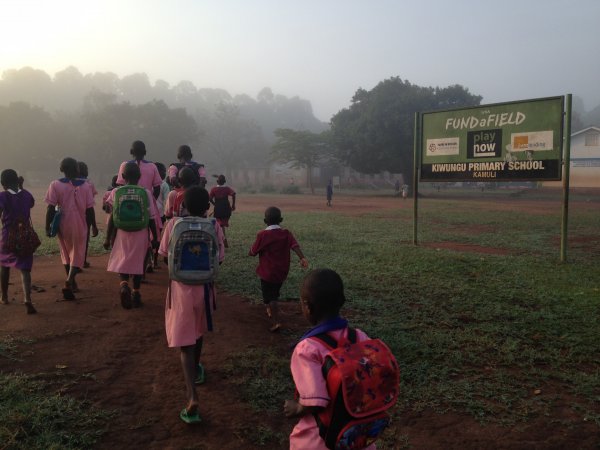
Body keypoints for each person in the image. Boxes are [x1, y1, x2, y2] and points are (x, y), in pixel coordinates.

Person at [284, 269, 375, 450]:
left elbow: (316, 402)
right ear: (341, 301)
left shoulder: (307, 349)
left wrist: (297, 408)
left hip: (323, 440)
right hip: (358, 436)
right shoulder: (360, 337)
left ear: (307, 307)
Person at [158, 185, 225, 424]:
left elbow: (164, 255)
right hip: (205, 290)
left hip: (180, 290)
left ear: (182, 205)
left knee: (184, 343)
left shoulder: (173, 225)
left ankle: (191, 395)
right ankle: (197, 370)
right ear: (208, 207)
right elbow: (220, 258)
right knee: (197, 333)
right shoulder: (214, 226)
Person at [103, 162, 159, 309]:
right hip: (141, 233)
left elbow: (111, 218)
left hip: (122, 232)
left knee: (123, 260)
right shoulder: (145, 192)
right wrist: (156, 238)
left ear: (123, 176)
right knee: (139, 263)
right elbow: (152, 218)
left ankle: (123, 285)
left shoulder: (116, 192)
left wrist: (108, 238)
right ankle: (136, 292)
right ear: (139, 176)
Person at [45, 157, 98, 300]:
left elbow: (50, 208)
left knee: (66, 252)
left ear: (62, 169)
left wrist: (47, 225)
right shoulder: (86, 186)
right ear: (77, 169)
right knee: (78, 252)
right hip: (80, 222)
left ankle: (72, 283)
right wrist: (94, 225)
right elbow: (90, 210)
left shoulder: (55, 184)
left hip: (62, 222)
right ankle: (69, 281)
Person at [249, 206, 308, 332]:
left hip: (266, 272)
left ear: (265, 221)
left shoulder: (263, 235)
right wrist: (302, 258)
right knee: (274, 292)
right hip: (282, 271)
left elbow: (253, 252)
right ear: (281, 219)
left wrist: (252, 250)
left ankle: (276, 322)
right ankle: (270, 307)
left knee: (270, 297)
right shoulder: (286, 233)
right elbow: (295, 246)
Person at [0, 169, 37, 314]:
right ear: (17, 181)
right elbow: (31, 204)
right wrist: (22, 188)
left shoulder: (3, 196)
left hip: (8, 236)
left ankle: (4, 296)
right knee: (25, 268)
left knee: (4, 265)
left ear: (3, 184)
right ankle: (27, 299)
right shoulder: (27, 195)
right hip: (25, 236)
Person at [78, 161, 98, 269]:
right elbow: (90, 205)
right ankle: (83, 261)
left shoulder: (69, 182)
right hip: (86, 215)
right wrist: (94, 225)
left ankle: (73, 262)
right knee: (84, 239)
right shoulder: (89, 184)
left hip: (73, 215)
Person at [209, 174, 236, 248]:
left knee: (219, 225)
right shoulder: (227, 189)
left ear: (217, 181)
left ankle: (223, 240)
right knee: (221, 225)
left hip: (218, 210)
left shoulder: (214, 189)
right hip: (226, 209)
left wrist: (215, 204)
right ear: (225, 181)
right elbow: (233, 194)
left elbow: (210, 198)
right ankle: (223, 240)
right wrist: (233, 205)